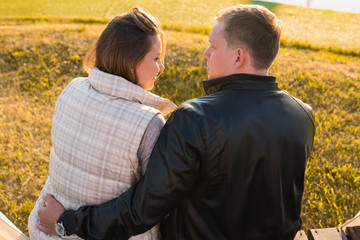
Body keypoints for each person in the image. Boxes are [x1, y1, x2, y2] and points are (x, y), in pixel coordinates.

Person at [37, 4, 316, 240]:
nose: (206, 54)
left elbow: (142, 210)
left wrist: (70, 222)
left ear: (238, 56)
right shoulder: (303, 115)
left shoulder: (194, 118)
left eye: (213, 46)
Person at [28, 7, 176, 240]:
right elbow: (152, 206)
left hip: (45, 229)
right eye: (156, 58)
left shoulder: (72, 88)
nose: (162, 67)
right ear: (130, 63)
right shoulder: (148, 122)